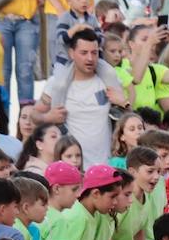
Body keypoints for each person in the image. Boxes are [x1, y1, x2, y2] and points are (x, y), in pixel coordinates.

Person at [34, 28, 124, 167]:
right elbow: (34, 115)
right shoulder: (57, 84)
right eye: (84, 53)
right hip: (73, 167)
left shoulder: (108, 80)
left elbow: (126, 120)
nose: (90, 58)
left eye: (94, 53)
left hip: (105, 166)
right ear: (71, 53)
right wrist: (47, 118)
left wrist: (124, 103)